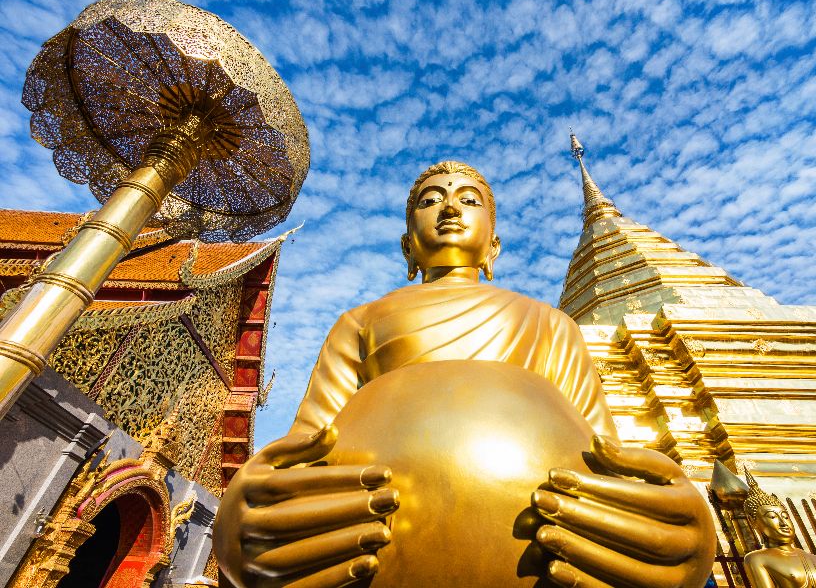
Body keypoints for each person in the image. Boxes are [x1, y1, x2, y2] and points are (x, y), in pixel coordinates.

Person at [214, 161, 716, 588]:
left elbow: (606, 456)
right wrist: (245, 524)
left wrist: (678, 534)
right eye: (431, 199)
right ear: (408, 246)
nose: (450, 209)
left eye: (469, 200)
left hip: (546, 558)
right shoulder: (361, 322)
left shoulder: (548, 323)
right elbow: (309, 446)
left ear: (493, 247)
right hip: (370, 565)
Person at [743, 472, 816, 588]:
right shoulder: (757, 559)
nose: (783, 523)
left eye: (785, 516)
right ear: (752, 521)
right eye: (772, 517)